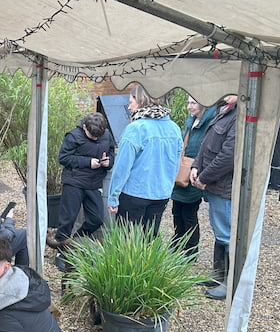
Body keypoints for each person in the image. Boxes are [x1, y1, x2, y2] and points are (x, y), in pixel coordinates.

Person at [107, 84, 183, 235]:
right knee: (150, 240)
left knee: (125, 243)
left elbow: (122, 167)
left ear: (142, 101)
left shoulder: (136, 128)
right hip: (161, 194)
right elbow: (176, 164)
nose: (129, 107)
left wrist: (113, 197)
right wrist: (167, 188)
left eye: (131, 102)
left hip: (133, 194)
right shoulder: (174, 128)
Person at [191, 95, 238, 300]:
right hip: (213, 184)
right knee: (219, 231)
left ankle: (230, 283)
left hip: (223, 187)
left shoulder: (239, 115)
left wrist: (204, 177)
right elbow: (205, 144)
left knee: (227, 234)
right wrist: (195, 166)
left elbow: (229, 156)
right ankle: (219, 274)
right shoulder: (223, 108)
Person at [47, 112, 115, 249]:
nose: (95, 139)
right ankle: (61, 249)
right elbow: (64, 158)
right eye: (92, 136)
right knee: (68, 219)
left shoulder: (106, 135)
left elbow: (111, 152)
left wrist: (109, 161)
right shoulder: (73, 136)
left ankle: (76, 240)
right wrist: (87, 162)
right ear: (84, 127)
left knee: (96, 219)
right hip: (74, 182)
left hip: (94, 183)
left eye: (98, 136)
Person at [171, 97, 216, 258]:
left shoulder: (208, 124)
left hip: (194, 173)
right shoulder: (192, 123)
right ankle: (178, 242)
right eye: (188, 103)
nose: (189, 107)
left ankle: (191, 250)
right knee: (177, 211)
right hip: (182, 171)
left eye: (193, 103)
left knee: (189, 214)